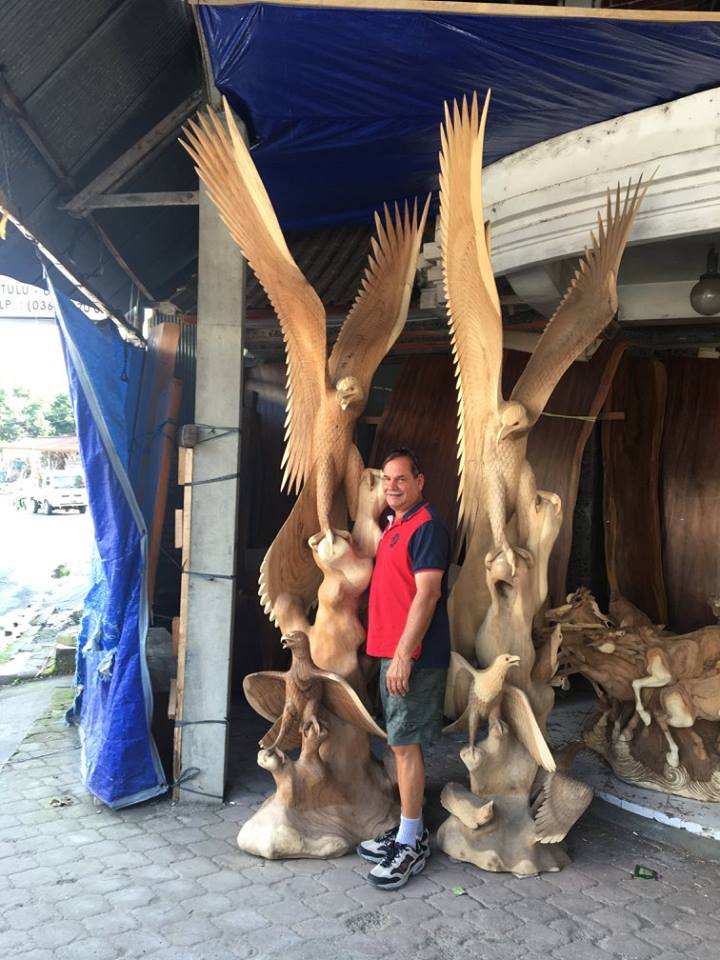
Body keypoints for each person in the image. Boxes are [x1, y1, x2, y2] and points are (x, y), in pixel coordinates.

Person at [357, 447, 451, 890]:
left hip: (411, 657)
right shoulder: (395, 526)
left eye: (401, 479)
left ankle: (411, 845)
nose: (392, 486)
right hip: (390, 653)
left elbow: (427, 594)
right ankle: (407, 829)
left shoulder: (427, 527)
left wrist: (402, 654)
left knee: (405, 745)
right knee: (398, 743)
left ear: (419, 481)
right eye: (387, 480)